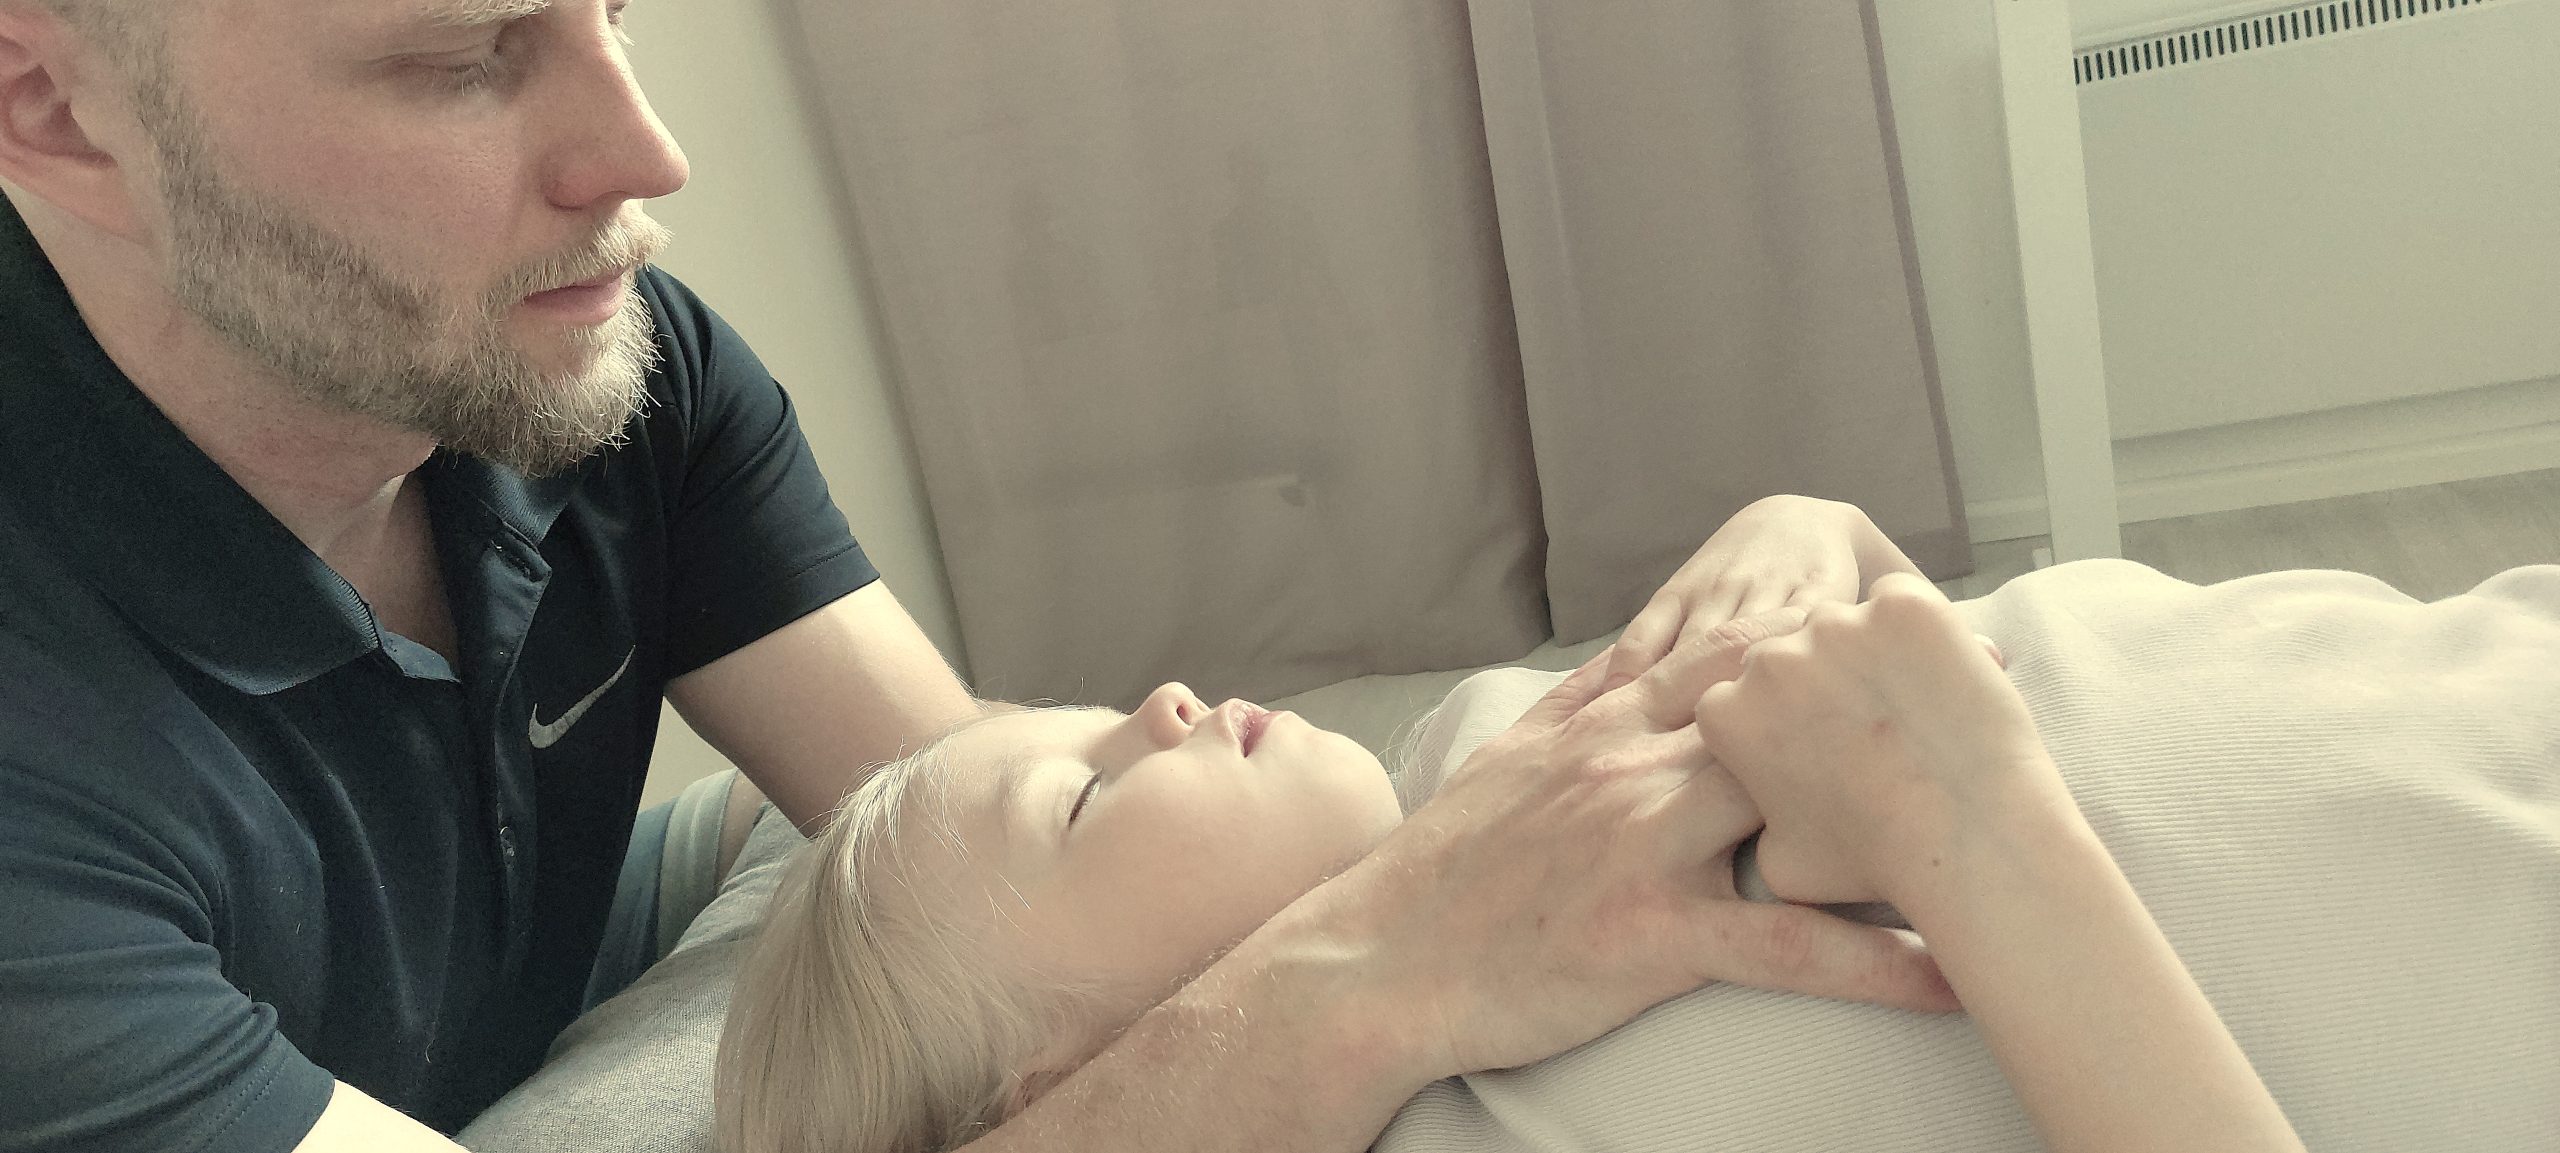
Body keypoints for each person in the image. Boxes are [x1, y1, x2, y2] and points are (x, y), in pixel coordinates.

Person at [0, 0, 1957, 1148]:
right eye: (463, 54)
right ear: (55, 109)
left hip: (534, 957)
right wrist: (1384, 969)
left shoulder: (590, 369)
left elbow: (989, 875)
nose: (646, 153)